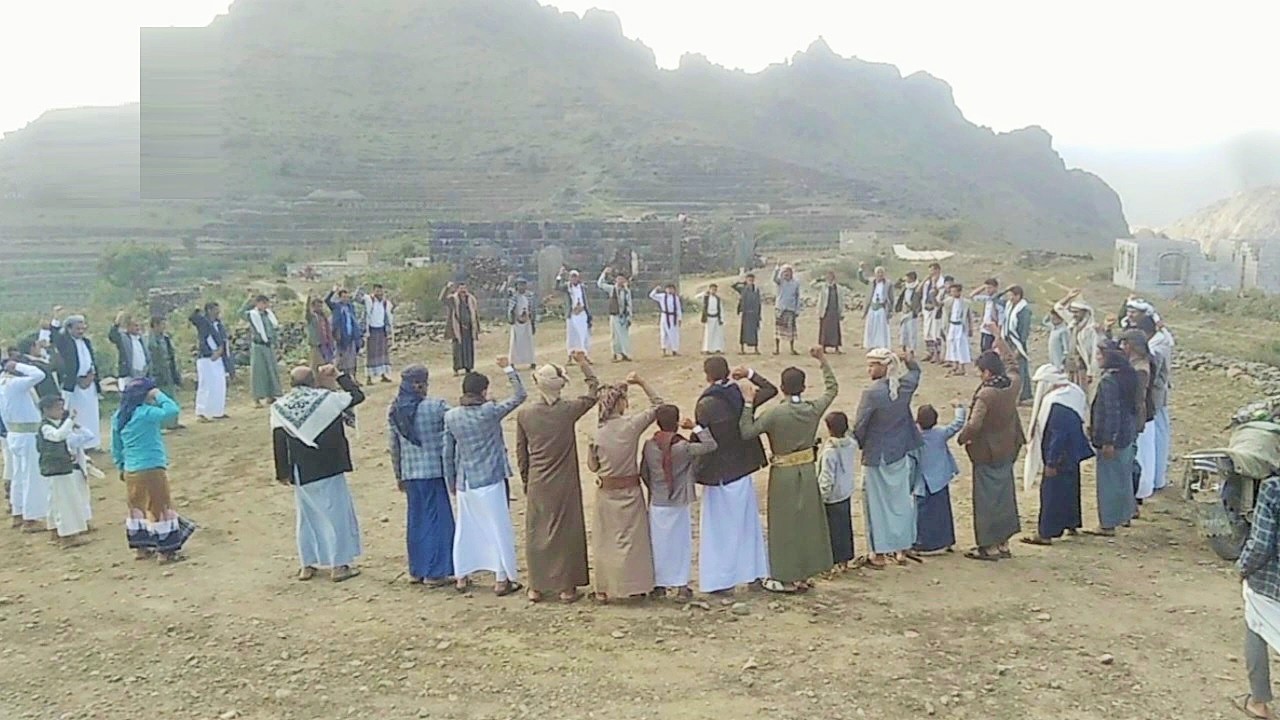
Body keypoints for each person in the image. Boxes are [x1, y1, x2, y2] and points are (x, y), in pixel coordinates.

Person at [739, 348, 837, 592]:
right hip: (808, 470)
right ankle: (805, 573)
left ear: (782, 388)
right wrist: (822, 360)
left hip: (783, 474)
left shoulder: (774, 413)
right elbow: (832, 389)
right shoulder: (812, 409)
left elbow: (747, 431)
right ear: (803, 387)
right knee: (808, 522)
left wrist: (748, 403)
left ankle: (786, 576)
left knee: (784, 525)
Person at [516, 353, 599, 603]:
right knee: (565, 531)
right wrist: (584, 364)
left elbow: (521, 452)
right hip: (564, 480)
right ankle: (566, 588)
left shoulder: (525, 414)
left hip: (538, 479)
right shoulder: (567, 410)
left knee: (536, 532)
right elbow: (594, 392)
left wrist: (526, 480)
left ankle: (536, 586)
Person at [272, 365, 365, 582]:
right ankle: (339, 566)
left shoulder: (280, 406)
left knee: (307, 518)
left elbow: (278, 440)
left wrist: (283, 472)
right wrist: (339, 376)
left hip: (301, 470)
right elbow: (357, 395)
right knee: (337, 516)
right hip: (330, 465)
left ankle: (307, 565)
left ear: (291, 384)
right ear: (313, 382)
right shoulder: (327, 400)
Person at [443, 357, 527, 596]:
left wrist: (451, 481)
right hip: (490, 478)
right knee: (498, 529)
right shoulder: (489, 411)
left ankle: (462, 575)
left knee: (466, 529)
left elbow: (447, 452)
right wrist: (508, 368)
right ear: (482, 391)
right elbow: (520, 395)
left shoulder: (452, 416)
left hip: (465, 480)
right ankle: (501, 579)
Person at [693, 356, 773, 594]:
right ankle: (754, 574)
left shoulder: (705, 404)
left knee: (718, 531)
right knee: (748, 525)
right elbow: (770, 390)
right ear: (728, 372)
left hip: (718, 473)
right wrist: (750, 374)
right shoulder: (741, 395)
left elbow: (705, 441)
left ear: (707, 376)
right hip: (742, 469)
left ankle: (719, 581)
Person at [588, 372, 663, 602]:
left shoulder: (597, 432)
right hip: (630, 490)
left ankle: (604, 588)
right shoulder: (631, 425)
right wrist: (642, 382)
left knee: (606, 541)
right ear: (620, 403)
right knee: (633, 541)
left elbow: (592, 466)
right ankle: (636, 586)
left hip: (606, 491)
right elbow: (659, 405)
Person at [956, 331, 1024, 561]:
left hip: (986, 452)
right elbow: (1013, 365)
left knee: (986, 500)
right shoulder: (1012, 385)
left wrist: (963, 438)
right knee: (1005, 496)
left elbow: (974, 424)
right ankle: (1003, 543)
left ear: (987, 372)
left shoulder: (986, 395)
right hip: (1008, 447)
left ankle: (989, 546)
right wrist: (1000, 341)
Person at [853, 349, 924, 567]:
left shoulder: (872, 393)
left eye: (872, 365)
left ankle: (879, 553)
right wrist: (908, 360)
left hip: (877, 454)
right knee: (900, 502)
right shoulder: (903, 387)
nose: (869, 369)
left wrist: (859, 443)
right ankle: (901, 548)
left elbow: (860, 425)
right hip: (899, 451)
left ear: (884, 367)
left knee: (876, 506)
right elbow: (916, 372)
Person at [112, 377, 193, 562]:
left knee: (137, 507)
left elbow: (116, 446)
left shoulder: (119, 416)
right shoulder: (146, 413)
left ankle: (141, 548)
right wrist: (159, 394)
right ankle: (166, 551)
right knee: (160, 506)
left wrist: (121, 466)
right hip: (152, 467)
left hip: (131, 469)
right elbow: (172, 411)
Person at [641, 404, 717, 600]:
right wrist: (695, 427)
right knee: (681, 544)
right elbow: (710, 445)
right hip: (679, 500)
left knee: (658, 544)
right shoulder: (683, 447)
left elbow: (644, 472)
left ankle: (659, 585)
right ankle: (681, 585)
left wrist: (654, 489)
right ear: (676, 422)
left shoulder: (649, 446)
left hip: (658, 500)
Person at [388, 365, 454, 587]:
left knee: (416, 521)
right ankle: (435, 572)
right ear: (422, 384)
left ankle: (416, 569)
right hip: (434, 472)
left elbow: (394, 446)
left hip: (410, 473)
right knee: (438, 521)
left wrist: (399, 475)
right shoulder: (437, 407)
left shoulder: (395, 410)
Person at [1020, 364, 1093, 546]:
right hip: (1073, 451)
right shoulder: (1074, 392)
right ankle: (1071, 522)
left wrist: (1051, 462)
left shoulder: (1056, 403)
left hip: (1059, 455)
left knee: (1051, 493)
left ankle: (1046, 533)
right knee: (1071, 488)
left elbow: (1058, 435)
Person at [1085, 342, 1141, 537]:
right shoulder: (1129, 374)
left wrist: (1108, 440)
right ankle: (1125, 514)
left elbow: (1111, 412)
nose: (1097, 358)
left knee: (1108, 482)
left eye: (1100, 354)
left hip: (1112, 438)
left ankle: (1107, 524)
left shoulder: (1109, 381)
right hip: (1127, 433)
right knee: (1123, 477)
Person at [1237, 475, 1280, 720]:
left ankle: (1258, 701)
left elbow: (1261, 544)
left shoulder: (1273, 487)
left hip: (1271, 581)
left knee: (1256, 626)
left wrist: (1243, 568)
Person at [37, 394, 94, 546]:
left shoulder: (54, 425)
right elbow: (58, 436)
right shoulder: (46, 427)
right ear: (46, 410)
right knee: (64, 500)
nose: (61, 411)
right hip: (57, 468)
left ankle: (55, 531)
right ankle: (67, 535)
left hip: (59, 467)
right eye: (58, 408)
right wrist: (70, 420)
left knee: (55, 500)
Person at [914, 403, 966, 555]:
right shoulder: (941, 433)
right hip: (941, 479)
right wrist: (959, 408)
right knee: (943, 511)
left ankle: (925, 544)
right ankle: (946, 541)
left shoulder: (915, 437)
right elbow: (957, 424)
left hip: (923, 481)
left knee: (923, 514)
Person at [1, 360, 47, 530]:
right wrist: (18, 365)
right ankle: (31, 518)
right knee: (31, 476)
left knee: (18, 476)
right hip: (27, 434)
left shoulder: (3, 385)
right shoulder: (14, 384)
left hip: (14, 433)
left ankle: (18, 513)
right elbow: (39, 374)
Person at [50, 313, 102, 449]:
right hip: (73, 384)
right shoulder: (65, 342)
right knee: (74, 413)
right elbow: (55, 337)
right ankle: (77, 446)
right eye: (77, 329)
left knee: (91, 414)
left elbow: (90, 360)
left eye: (82, 328)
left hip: (89, 383)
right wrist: (56, 319)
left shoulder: (86, 342)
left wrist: (91, 376)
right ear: (69, 329)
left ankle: (92, 443)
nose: (81, 331)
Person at [817, 411, 857, 571]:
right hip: (845, 491)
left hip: (832, 496)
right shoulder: (851, 444)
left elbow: (827, 478)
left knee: (832, 531)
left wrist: (822, 496)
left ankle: (832, 563)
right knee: (845, 527)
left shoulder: (830, 452)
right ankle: (844, 561)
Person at [1122, 327, 1158, 508]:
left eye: (1125, 343)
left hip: (1140, 417)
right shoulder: (1140, 363)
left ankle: (1137, 495)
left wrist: (1136, 420)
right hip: (1142, 415)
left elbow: (1139, 399)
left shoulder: (1140, 368)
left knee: (1139, 457)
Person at [189, 303, 231, 422]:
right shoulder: (203, 322)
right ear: (209, 310)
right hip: (206, 357)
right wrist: (197, 310)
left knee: (219, 384)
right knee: (206, 385)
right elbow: (193, 318)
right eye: (215, 310)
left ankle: (217, 411)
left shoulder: (218, 324)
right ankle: (201, 412)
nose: (218, 312)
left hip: (218, 357)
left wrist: (220, 351)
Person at [241, 293, 283, 407]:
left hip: (269, 346)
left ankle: (271, 395)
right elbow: (240, 313)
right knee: (258, 372)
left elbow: (273, 330)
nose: (265, 305)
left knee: (271, 370)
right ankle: (257, 399)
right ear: (258, 303)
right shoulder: (252, 315)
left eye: (266, 303)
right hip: (258, 346)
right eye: (263, 303)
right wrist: (248, 301)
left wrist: (276, 344)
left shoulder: (269, 315)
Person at [1056, 290, 1100, 396]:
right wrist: (1068, 297)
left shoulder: (1091, 330)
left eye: (1077, 312)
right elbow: (1058, 307)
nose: (1074, 314)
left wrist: (1091, 372)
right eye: (1073, 312)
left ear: (1085, 312)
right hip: (1071, 366)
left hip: (1083, 368)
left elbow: (1094, 352)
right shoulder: (1073, 323)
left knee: (1082, 394)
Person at [1149, 320, 1176, 491]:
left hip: (1156, 399)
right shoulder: (1157, 342)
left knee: (1157, 436)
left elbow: (1154, 375)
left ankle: (1157, 477)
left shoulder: (1159, 346)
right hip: (1153, 399)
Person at [145, 317, 183, 430]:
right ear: (155, 325)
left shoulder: (165, 338)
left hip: (168, 371)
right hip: (157, 373)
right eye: (162, 324)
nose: (164, 327)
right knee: (159, 399)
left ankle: (172, 422)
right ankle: (161, 424)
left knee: (171, 397)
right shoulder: (149, 340)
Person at [1001, 285, 1034, 402]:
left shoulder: (1024, 310)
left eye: (1012, 296)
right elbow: (994, 299)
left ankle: (1021, 394)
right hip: (1008, 340)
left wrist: (1019, 348)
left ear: (1018, 296)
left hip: (1017, 342)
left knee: (1020, 368)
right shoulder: (1009, 306)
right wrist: (1005, 290)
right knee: (1008, 367)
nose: (1010, 298)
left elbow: (1024, 331)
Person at [439, 282, 479, 375]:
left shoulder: (471, 299)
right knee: (457, 350)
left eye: (464, 289)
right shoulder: (453, 299)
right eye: (461, 289)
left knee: (469, 349)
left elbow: (475, 314)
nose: (463, 291)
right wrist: (447, 288)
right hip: (457, 329)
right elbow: (442, 299)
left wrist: (476, 328)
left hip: (469, 329)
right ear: (457, 290)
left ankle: (468, 368)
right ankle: (456, 369)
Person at [325, 286, 362, 376]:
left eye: (347, 297)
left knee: (352, 358)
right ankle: (341, 377)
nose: (345, 299)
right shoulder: (336, 307)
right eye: (343, 297)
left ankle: (352, 377)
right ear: (340, 298)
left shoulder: (350, 307)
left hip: (351, 335)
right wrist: (333, 291)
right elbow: (326, 300)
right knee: (340, 358)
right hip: (341, 336)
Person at [597, 268, 632, 362]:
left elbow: (629, 304)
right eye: (619, 279)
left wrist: (629, 317)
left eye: (622, 279)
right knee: (615, 335)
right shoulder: (612, 289)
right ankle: (615, 354)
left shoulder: (626, 291)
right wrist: (604, 274)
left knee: (624, 336)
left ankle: (625, 353)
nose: (620, 281)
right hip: (615, 315)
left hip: (623, 316)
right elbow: (600, 284)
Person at [556, 268, 592, 359]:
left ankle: (584, 354)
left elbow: (585, 301)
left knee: (584, 335)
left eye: (575, 277)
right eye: (572, 277)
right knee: (572, 335)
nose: (574, 279)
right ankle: (571, 355)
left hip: (582, 313)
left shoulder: (582, 287)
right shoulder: (567, 287)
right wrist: (560, 275)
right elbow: (557, 287)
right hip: (572, 314)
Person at [363, 284, 395, 383]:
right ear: (373, 291)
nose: (379, 293)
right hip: (371, 330)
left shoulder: (385, 303)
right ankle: (369, 377)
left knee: (382, 353)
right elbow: (357, 298)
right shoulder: (369, 300)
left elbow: (390, 312)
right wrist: (361, 287)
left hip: (381, 329)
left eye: (380, 291)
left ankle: (383, 374)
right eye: (377, 291)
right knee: (371, 353)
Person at [856, 263, 892, 350]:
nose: (880, 274)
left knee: (881, 327)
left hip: (882, 308)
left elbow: (891, 298)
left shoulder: (888, 284)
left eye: (881, 272)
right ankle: (871, 345)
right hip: (872, 307)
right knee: (871, 327)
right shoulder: (871, 282)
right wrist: (861, 269)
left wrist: (890, 310)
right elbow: (861, 279)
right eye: (878, 272)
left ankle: (881, 345)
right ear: (875, 274)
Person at [506, 277, 538, 369]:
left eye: (523, 285)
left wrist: (532, 322)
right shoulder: (513, 297)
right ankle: (513, 362)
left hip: (527, 322)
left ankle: (531, 361)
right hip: (517, 323)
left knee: (529, 343)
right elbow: (511, 309)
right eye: (519, 285)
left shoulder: (530, 296)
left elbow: (532, 309)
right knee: (515, 343)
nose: (522, 287)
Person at [107, 312, 150, 380]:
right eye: (135, 326)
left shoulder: (142, 340)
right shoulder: (123, 338)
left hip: (144, 374)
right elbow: (112, 336)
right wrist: (116, 323)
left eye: (138, 326)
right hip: (129, 375)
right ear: (128, 327)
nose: (138, 328)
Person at [943, 282, 972, 376]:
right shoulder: (948, 301)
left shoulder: (966, 303)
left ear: (959, 292)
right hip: (952, 325)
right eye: (951, 291)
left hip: (960, 326)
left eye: (955, 291)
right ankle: (954, 365)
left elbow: (969, 316)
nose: (953, 293)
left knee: (961, 345)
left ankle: (962, 367)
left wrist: (970, 328)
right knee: (951, 344)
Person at [814, 270, 848, 353]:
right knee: (824, 330)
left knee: (835, 331)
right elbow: (812, 285)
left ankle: (836, 347)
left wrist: (842, 312)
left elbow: (841, 300)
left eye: (831, 276)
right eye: (828, 276)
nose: (830, 278)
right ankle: (823, 347)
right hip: (825, 311)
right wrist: (819, 279)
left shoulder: (838, 288)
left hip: (834, 311)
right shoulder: (823, 286)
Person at [773, 264, 801, 356]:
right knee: (778, 330)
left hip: (790, 309)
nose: (787, 274)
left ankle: (792, 349)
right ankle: (777, 349)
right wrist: (777, 270)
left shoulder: (795, 283)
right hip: (780, 308)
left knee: (791, 330)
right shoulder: (781, 282)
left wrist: (797, 309)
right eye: (785, 272)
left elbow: (797, 296)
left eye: (788, 272)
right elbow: (775, 279)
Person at [732, 273, 763, 354]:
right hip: (746, 313)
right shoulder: (743, 288)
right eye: (749, 280)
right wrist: (742, 282)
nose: (750, 281)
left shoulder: (756, 289)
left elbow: (758, 302)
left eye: (752, 280)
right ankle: (742, 349)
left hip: (754, 313)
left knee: (754, 332)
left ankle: (756, 349)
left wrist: (759, 314)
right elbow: (733, 286)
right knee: (743, 331)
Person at [305, 294, 336, 373]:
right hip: (316, 345)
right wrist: (309, 298)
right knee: (316, 366)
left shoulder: (324, 317)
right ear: (313, 307)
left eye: (321, 306)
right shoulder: (311, 317)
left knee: (327, 365)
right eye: (317, 306)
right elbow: (307, 310)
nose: (320, 308)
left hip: (326, 345)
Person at [920, 263, 945, 362]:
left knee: (936, 333)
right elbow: (919, 292)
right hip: (927, 309)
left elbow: (937, 294)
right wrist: (924, 280)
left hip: (936, 310)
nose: (931, 273)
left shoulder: (942, 282)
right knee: (927, 332)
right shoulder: (927, 282)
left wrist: (934, 283)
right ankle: (929, 352)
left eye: (932, 270)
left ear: (938, 270)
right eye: (929, 271)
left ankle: (937, 354)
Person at [650, 283, 683, 357]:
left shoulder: (676, 298)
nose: (670, 290)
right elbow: (651, 295)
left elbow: (678, 309)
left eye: (671, 289)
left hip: (673, 317)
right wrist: (656, 289)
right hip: (665, 316)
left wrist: (680, 318)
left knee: (674, 334)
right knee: (664, 334)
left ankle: (674, 350)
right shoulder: (662, 296)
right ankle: (664, 350)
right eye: (668, 289)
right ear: (665, 290)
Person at [894, 271, 923, 356]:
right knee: (903, 331)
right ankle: (904, 348)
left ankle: (912, 350)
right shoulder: (905, 287)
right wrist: (900, 280)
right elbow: (896, 286)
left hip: (912, 312)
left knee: (912, 332)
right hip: (904, 311)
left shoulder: (917, 287)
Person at [971, 279, 1003, 353]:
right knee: (983, 349)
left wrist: (998, 336)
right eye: (986, 288)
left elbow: (1001, 320)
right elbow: (972, 296)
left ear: (996, 288)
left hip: (993, 331)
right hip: (985, 328)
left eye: (990, 288)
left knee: (989, 351)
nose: (988, 290)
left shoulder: (999, 301)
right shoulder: (988, 299)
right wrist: (983, 287)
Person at [697, 283, 727, 355]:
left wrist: (722, 319)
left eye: (715, 290)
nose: (713, 291)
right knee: (708, 334)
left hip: (716, 317)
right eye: (712, 289)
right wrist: (704, 293)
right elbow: (697, 297)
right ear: (709, 290)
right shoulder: (706, 298)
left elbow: (721, 309)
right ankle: (707, 349)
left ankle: (717, 348)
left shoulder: (718, 299)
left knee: (717, 334)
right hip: (709, 318)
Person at [1043, 307, 1071, 372]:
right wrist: (1049, 312)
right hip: (1052, 356)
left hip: (1059, 359)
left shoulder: (1063, 330)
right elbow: (1044, 321)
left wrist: (1063, 362)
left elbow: (1066, 349)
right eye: (1052, 318)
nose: (1053, 320)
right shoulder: (1053, 328)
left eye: (1055, 318)